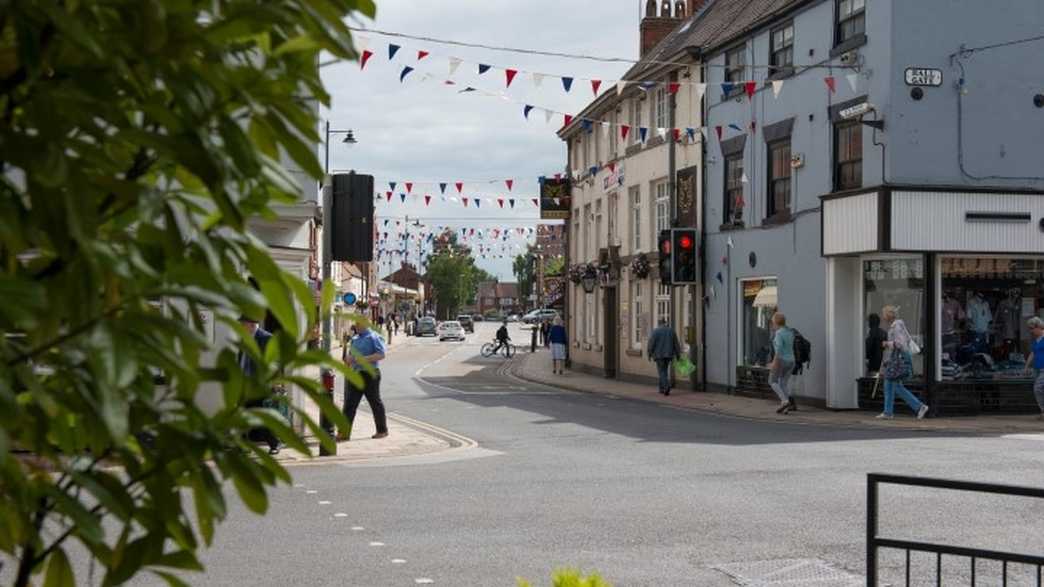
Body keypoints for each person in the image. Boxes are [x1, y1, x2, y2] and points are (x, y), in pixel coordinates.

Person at [878, 305, 930, 420]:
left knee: (893, 385)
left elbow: (900, 344)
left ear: (888, 315)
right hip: (900, 357)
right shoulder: (897, 325)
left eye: (884, 314)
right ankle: (888, 412)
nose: (883, 316)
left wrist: (887, 344)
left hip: (899, 358)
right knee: (891, 384)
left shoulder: (896, 326)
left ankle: (919, 406)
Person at [238, 316, 280, 454]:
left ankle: (275, 443)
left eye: (242, 324)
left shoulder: (266, 338)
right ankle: (244, 445)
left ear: (250, 325)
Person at [342, 322, 389, 440]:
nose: (356, 327)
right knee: (350, 404)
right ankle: (344, 433)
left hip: (370, 373)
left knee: (375, 402)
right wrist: (348, 360)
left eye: (358, 325)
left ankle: (382, 430)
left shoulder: (374, 337)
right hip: (356, 373)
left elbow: (381, 354)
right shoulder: (355, 338)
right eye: (355, 325)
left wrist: (360, 360)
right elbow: (351, 356)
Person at [768, 312, 797, 414]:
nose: (772, 324)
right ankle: (786, 407)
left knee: (772, 381)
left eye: (772, 321)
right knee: (783, 383)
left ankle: (784, 401)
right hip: (792, 361)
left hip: (781, 361)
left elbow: (779, 349)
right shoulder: (790, 332)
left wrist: (774, 363)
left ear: (776, 322)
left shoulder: (779, 333)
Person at [647, 317, 681, 396]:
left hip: (659, 355)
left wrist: (649, 353)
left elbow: (651, 344)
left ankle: (666, 387)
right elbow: (676, 344)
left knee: (661, 372)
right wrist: (678, 354)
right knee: (664, 371)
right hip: (668, 355)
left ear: (659, 323)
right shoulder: (671, 331)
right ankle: (661, 388)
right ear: (665, 323)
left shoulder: (655, 331)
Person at [1023, 317, 1044, 419]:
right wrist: (1026, 366)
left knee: (1037, 388)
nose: (1031, 331)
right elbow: (1033, 353)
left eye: (1032, 328)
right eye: (1030, 329)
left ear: (1039, 327)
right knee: (1040, 389)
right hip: (1037, 368)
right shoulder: (1036, 340)